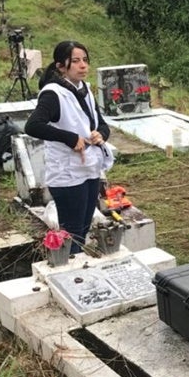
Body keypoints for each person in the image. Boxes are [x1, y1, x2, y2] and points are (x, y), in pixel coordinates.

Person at [24, 40, 112, 256]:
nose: (82, 65)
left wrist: (101, 133)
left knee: (83, 225)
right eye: (75, 61)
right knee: (71, 229)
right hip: (67, 172)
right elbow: (33, 125)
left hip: (89, 168)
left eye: (85, 60)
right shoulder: (54, 94)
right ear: (61, 66)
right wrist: (70, 138)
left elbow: (100, 122)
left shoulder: (85, 90)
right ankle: (69, 266)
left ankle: (77, 263)